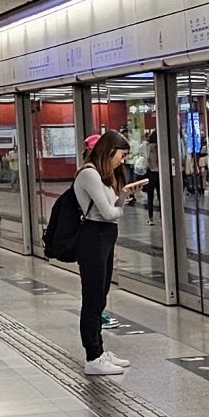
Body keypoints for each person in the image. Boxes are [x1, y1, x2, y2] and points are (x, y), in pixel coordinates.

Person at [74, 131, 147, 375]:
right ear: (109, 151)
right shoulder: (89, 174)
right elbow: (108, 213)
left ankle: (99, 350)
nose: (122, 161)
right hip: (93, 238)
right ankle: (92, 356)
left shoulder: (102, 175)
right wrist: (120, 207)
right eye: (121, 155)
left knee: (101, 296)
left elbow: (111, 208)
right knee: (93, 298)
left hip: (103, 237)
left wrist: (124, 196)